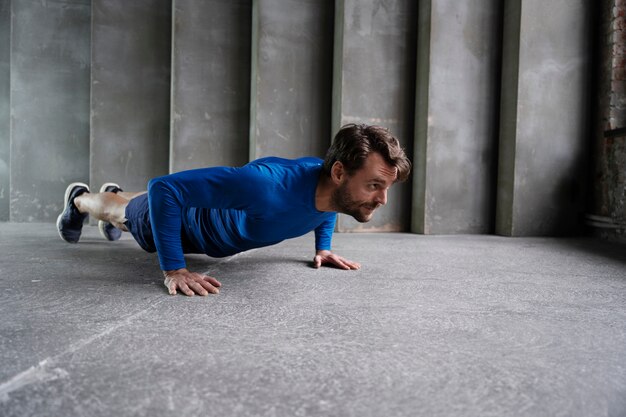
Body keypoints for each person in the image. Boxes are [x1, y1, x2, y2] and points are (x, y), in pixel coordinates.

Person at [56, 124, 411, 296]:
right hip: (180, 224)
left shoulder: (331, 181)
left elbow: (328, 205)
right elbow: (165, 187)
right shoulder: (263, 185)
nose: (382, 200)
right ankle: (81, 198)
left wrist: (324, 247)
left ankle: (114, 193)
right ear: (338, 172)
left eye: (386, 187)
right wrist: (175, 268)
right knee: (122, 212)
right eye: (374, 186)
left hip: (208, 209)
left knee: (135, 201)